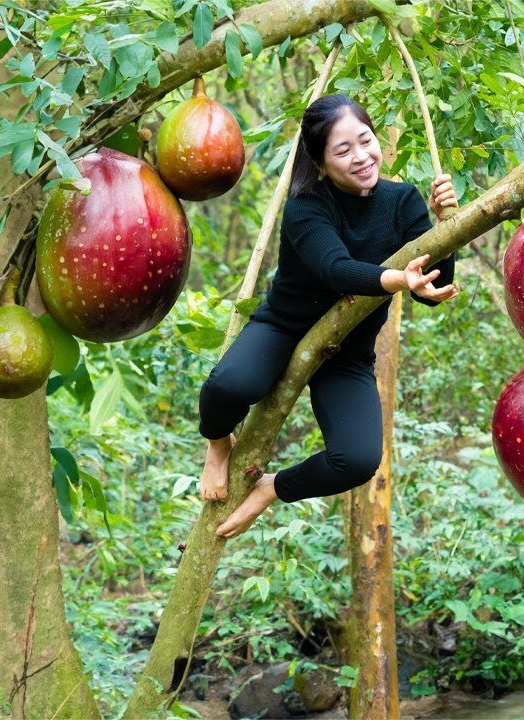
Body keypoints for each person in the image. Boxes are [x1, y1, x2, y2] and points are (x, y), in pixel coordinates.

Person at [197, 94, 460, 539]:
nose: (362, 157)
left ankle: (268, 489)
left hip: (348, 352)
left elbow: (431, 292)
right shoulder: (306, 205)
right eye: (343, 150)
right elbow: (336, 270)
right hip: (284, 326)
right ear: (320, 161)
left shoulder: (403, 201)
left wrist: (446, 229)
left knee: (357, 459)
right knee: (230, 386)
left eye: (366, 141)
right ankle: (218, 446)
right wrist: (398, 278)